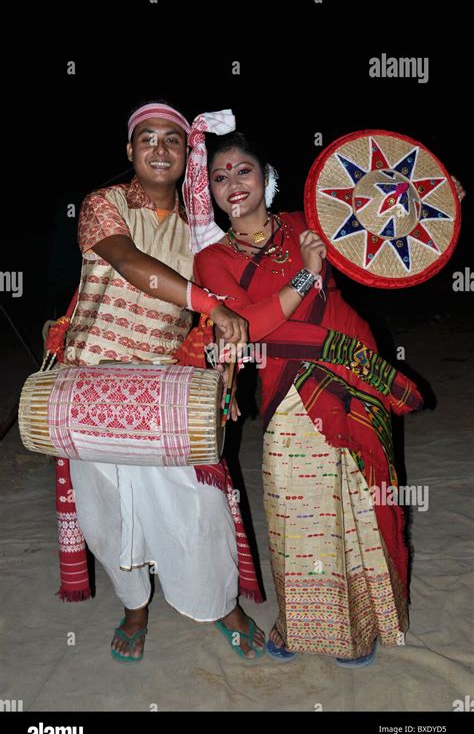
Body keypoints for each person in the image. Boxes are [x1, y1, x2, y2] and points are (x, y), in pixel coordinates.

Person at [194, 131, 428, 666]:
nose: (233, 183)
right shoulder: (210, 260)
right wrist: (306, 274)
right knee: (297, 512)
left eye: (243, 170)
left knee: (359, 499)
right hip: (289, 389)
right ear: (209, 189)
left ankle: (365, 624)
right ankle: (299, 624)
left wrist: (431, 202)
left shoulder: (309, 223)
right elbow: (245, 328)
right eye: (220, 176)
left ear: (266, 174)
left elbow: (383, 229)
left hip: (354, 365)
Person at [59, 104, 266, 663]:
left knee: (196, 502)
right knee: (108, 509)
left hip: (166, 382)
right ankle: (134, 607)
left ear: (186, 154)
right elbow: (128, 263)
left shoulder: (201, 231)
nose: (159, 148)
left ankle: (222, 604)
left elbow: (272, 237)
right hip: (93, 380)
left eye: (173, 140)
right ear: (130, 151)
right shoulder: (105, 205)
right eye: (147, 139)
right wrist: (210, 304)